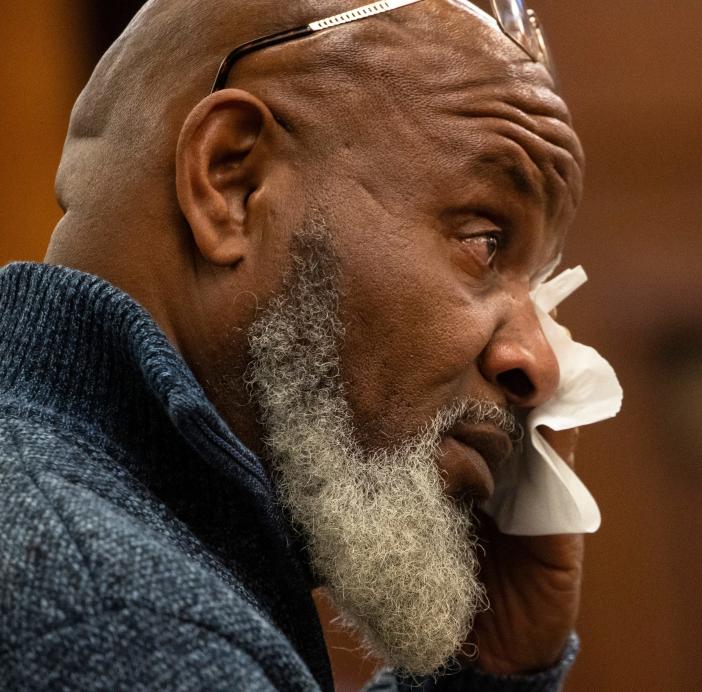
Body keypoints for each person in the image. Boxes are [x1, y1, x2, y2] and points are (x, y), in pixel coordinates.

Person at [0, 0, 588, 689]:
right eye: (485, 241)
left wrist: (489, 672)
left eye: (539, 281)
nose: (540, 363)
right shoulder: (116, 616)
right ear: (232, 181)